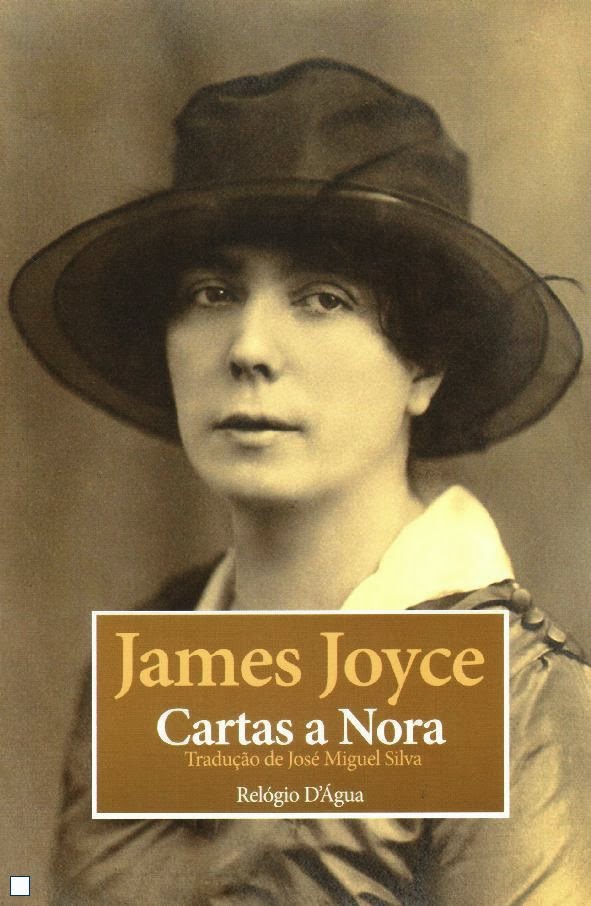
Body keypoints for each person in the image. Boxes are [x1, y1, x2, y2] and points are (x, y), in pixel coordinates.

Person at [10, 58, 591, 904]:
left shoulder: (511, 691)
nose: (248, 348)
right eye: (211, 292)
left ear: (423, 364)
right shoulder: (143, 661)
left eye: (323, 299)